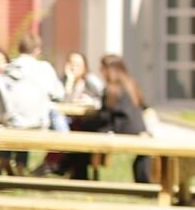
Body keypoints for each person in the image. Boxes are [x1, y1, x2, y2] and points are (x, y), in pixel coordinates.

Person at [65, 55, 152, 184]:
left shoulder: (113, 89)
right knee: (85, 129)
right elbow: (143, 106)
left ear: (109, 69)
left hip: (123, 131)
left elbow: (104, 117)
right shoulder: (131, 85)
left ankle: (79, 175)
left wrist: (87, 120)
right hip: (139, 130)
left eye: (102, 67)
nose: (100, 70)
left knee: (81, 133)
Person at [0, 35, 64, 173]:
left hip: (13, 124)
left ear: (19, 49)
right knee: (27, 121)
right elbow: (59, 93)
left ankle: (4, 161)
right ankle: (19, 166)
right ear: (37, 50)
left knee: (6, 123)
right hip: (39, 124)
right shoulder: (45, 69)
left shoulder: (6, 70)